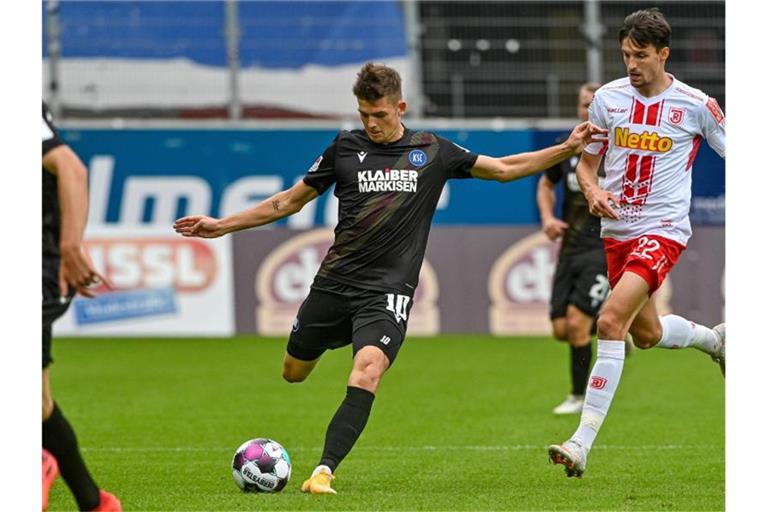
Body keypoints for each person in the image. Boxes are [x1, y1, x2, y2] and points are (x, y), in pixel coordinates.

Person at [174, 62, 606, 494]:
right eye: (364, 115)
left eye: (379, 115)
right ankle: (336, 337)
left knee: (367, 370)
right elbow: (286, 202)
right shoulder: (344, 148)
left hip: (386, 293)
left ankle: (323, 472)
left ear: (400, 107)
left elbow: (505, 168)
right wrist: (222, 225)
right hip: (334, 284)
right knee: (293, 371)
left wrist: (567, 148)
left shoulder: (432, 150)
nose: (371, 124)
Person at [548, 8, 725, 478]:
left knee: (609, 321)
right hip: (616, 232)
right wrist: (593, 190)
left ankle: (580, 442)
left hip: (663, 229)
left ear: (663, 54)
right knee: (644, 335)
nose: (631, 64)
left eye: (641, 55)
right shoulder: (607, 100)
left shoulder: (696, 105)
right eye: (626, 54)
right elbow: (586, 165)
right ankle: (717, 341)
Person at [42, 102, 121, 511]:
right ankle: (94, 502)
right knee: (38, 403)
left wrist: (70, 247)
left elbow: (71, 167)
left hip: (38, 262)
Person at [537, 82, 616, 415]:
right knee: (560, 329)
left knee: (576, 323)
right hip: (568, 248)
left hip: (601, 247)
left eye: (593, 105)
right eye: (584, 105)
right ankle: (614, 323)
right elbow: (545, 183)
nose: (588, 111)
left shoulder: (617, 150)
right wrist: (547, 218)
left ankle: (578, 396)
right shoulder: (567, 148)